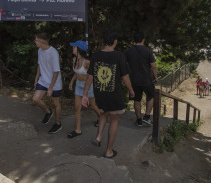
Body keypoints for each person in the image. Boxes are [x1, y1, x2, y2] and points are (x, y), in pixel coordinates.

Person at [82, 30, 135, 159]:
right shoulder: (119, 56)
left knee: (103, 113)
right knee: (114, 119)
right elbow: (126, 77)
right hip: (113, 93)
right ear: (115, 41)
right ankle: (109, 151)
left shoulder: (96, 55)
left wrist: (84, 95)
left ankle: (99, 136)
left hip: (100, 91)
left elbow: (89, 77)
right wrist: (131, 90)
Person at [67, 41, 100, 138]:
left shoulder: (87, 62)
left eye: (74, 47)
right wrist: (72, 81)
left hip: (88, 86)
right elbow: (76, 73)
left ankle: (101, 117)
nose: (72, 49)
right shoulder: (74, 59)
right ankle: (78, 130)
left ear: (79, 49)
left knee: (92, 106)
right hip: (78, 85)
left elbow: (94, 74)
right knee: (77, 108)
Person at [32, 33, 63, 134]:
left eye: (36, 40)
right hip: (43, 80)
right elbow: (39, 65)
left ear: (41, 42)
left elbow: (56, 71)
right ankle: (48, 112)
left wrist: (50, 87)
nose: (34, 42)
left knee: (56, 103)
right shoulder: (40, 50)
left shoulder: (53, 53)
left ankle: (58, 124)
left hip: (54, 83)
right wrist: (36, 78)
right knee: (35, 99)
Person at [125, 32, 158, 127]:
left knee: (137, 99)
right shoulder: (148, 51)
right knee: (151, 96)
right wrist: (155, 77)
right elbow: (153, 66)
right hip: (147, 79)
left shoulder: (129, 51)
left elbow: (125, 65)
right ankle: (147, 117)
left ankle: (139, 120)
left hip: (134, 80)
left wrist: (125, 79)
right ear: (143, 39)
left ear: (134, 40)